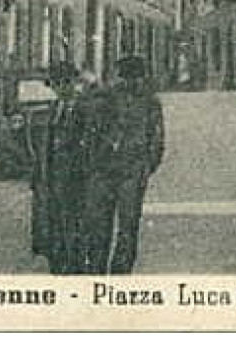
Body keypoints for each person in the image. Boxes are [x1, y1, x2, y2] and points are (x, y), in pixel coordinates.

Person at [82, 55, 166, 274]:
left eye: (136, 77)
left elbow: (156, 137)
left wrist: (146, 166)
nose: (131, 82)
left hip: (132, 170)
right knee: (99, 225)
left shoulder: (149, 102)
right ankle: (97, 270)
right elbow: (91, 128)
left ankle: (120, 273)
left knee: (127, 226)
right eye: (127, 77)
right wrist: (93, 161)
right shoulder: (106, 98)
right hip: (104, 169)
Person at [25, 62, 90, 273]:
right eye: (57, 84)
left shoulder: (85, 110)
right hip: (51, 178)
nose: (62, 88)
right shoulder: (52, 110)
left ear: (74, 83)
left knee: (74, 224)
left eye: (66, 83)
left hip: (75, 178)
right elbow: (44, 146)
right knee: (53, 224)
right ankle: (58, 263)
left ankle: (75, 266)